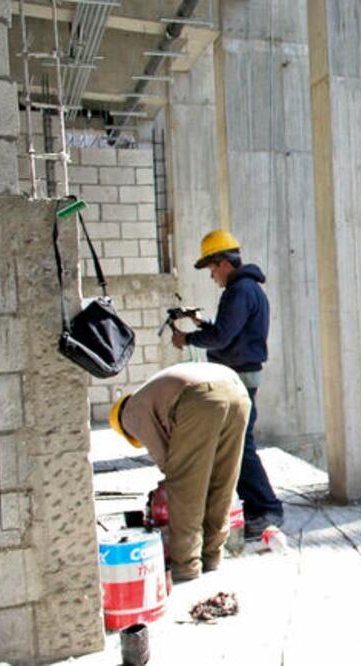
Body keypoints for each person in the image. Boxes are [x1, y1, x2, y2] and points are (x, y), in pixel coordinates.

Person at [171, 229, 284, 538]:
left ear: (223, 262)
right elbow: (228, 331)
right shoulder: (247, 290)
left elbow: (222, 337)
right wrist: (199, 323)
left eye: (211, 268)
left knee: (240, 445)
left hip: (239, 377)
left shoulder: (239, 291)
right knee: (235, 443)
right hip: (241, 373)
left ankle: (267, 508)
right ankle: (258, 505)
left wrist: (188, 338)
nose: (212, 276)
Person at [109, 362, 250, 581]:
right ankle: (212, 556)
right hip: (236, 391)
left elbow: (170, 463)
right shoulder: (154, 395)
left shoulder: (130, 414)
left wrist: (178, 476)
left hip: (200, 397)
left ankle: (186, 566)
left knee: (184, 489)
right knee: (222, 479)